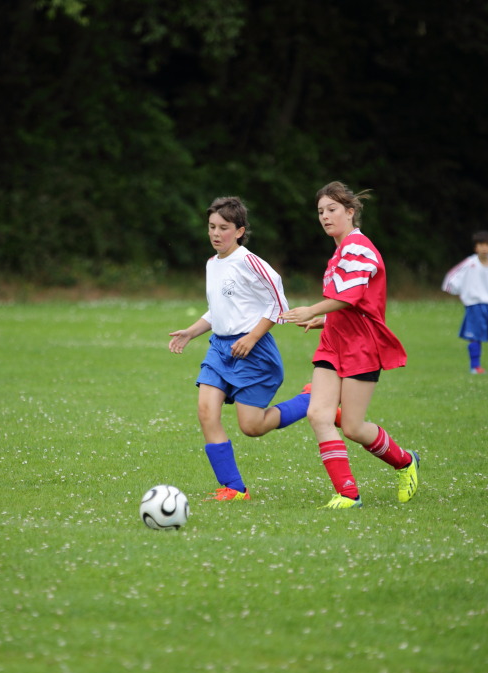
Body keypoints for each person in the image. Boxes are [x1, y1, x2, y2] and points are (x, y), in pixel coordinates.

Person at [279, 182, 419, 509]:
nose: (325, 217)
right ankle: (348, 494)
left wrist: (312, 310)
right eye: (320, 211)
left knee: (354, 427)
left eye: (332, 210)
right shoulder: (339, 252)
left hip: (362, 346)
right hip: (334, 343)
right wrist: (325, 320)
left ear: (350, 212)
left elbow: (350, 296)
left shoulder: (359, 247)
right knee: (318, 414)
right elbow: (351, 303)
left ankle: (406, 462)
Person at [168, 196, 311, 501]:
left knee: (252, 426)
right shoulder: (212, 264)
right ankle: (234, 488)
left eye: (223, 227)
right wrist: (191, 332)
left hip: (253, 351)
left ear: (239, 231)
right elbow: (218, 310)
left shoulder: (249, 262)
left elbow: (279, 304)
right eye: (211, 226)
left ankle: (312, 400)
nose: (215, 233)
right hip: (220, 349)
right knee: (206, 412)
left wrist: (252, 337)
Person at [441, 230, 488, 374]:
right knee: (475, 335)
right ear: (475, 247)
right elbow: (451, 277)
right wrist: (461, 293)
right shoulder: (470, 263)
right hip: (474, 305)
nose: (484, 248)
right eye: (481, 245)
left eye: (487, 245)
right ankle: (475, 366)